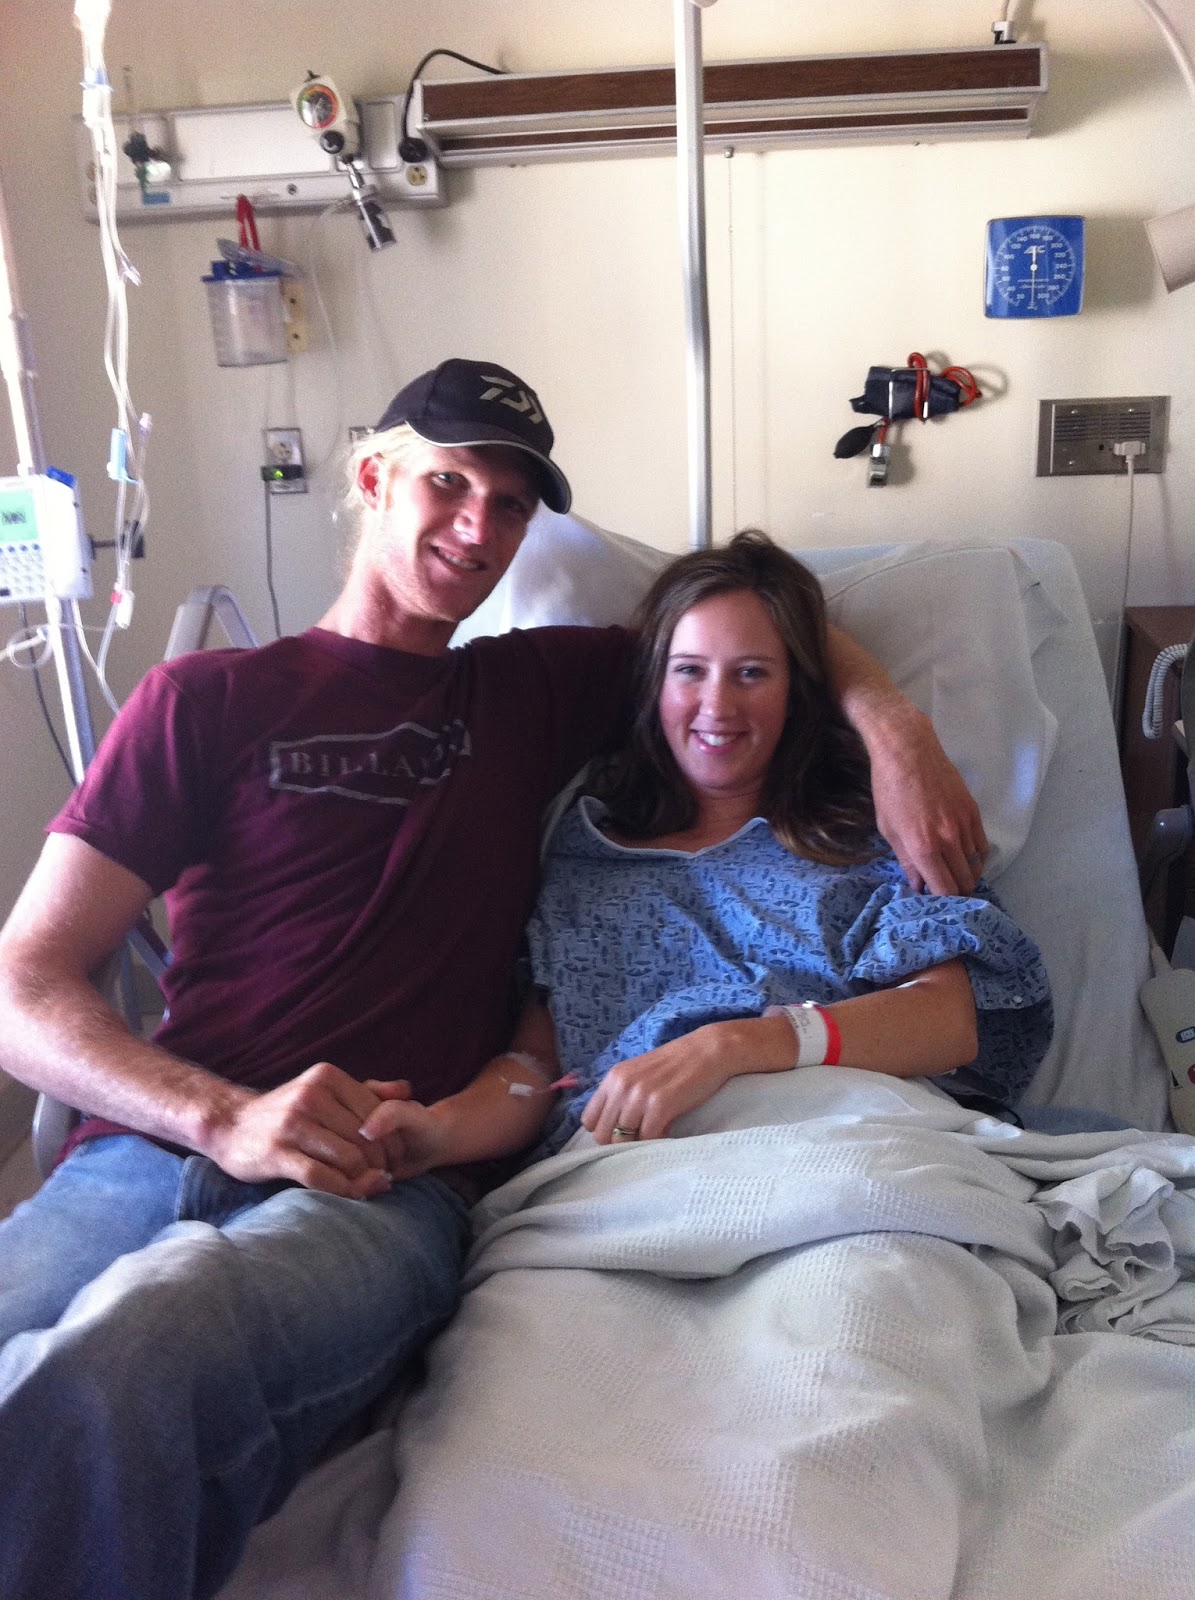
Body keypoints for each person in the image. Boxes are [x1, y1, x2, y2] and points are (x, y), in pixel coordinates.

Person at [0, 361, 984, 1600]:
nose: (479, 527)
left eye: (511, 505)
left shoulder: (532, 691)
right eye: (451, 483)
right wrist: (221, 1117)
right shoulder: (204, 699)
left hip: (385, 1180)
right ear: (373, 476)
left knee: (142, 1347)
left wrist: (893, 728)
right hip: (152, 1150)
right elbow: (23, 985)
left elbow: (749, 633)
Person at [485, 531, 1053, 1157]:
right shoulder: (586, 856)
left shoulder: (864, 836)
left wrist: (735, 1046)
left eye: (751, 673)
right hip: (632, 1164)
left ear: (796, 694)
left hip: (847, 1143)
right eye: (689, 671)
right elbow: (531, 1071)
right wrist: (436, 1134)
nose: (717, 705)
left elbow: (948, 1019)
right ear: (654, 685)